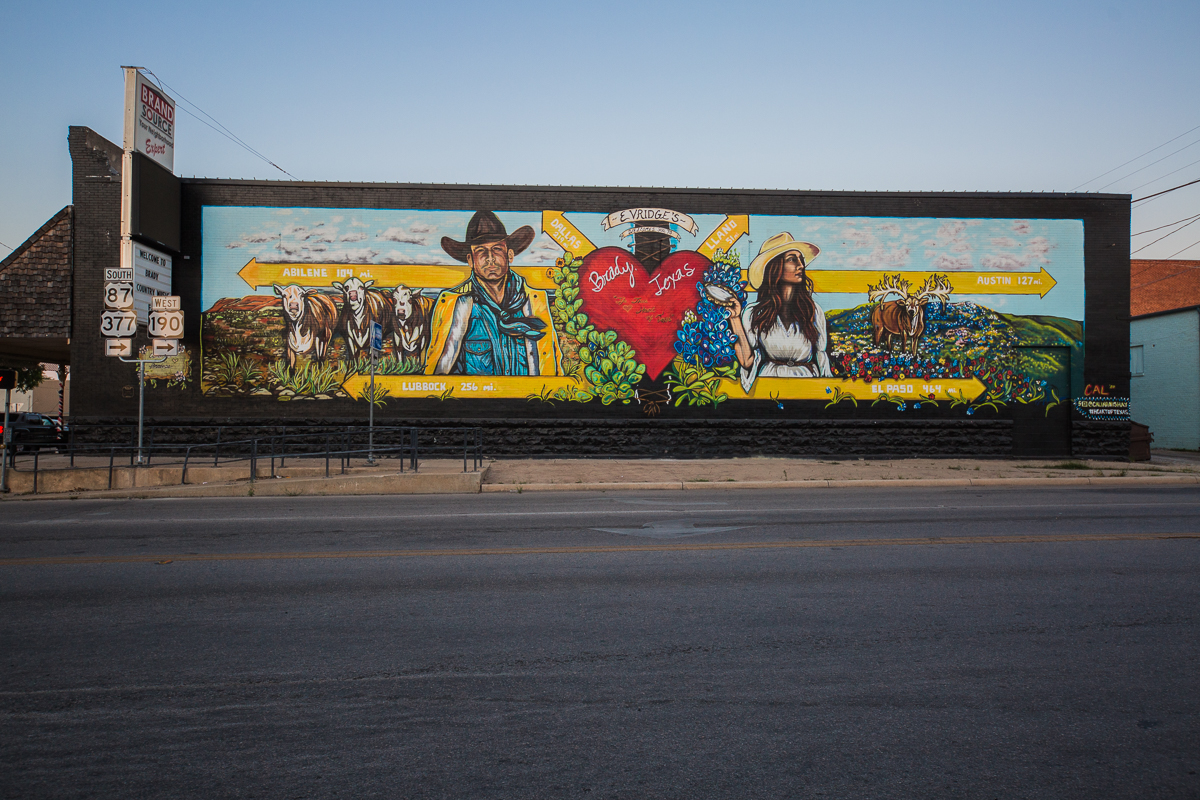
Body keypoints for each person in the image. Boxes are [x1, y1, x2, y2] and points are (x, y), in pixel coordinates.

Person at [425, 211, 560, 376]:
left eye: (496, 249)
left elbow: (552, 361)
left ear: (509, 255)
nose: (490, 258)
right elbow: (438, 370)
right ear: (470, 260)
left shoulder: (535, 302)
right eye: (481, 251)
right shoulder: (455, 305)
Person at [717, 232, 831, 392]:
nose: (801, 265)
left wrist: (826, 390)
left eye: (801, 260)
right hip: (768, 385)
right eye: (792, 259)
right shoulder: (754, 312)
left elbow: (821, 356)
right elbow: (747, 361)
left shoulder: (812, 310)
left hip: (807, 384)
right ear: (775, 266)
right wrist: (735, 318)